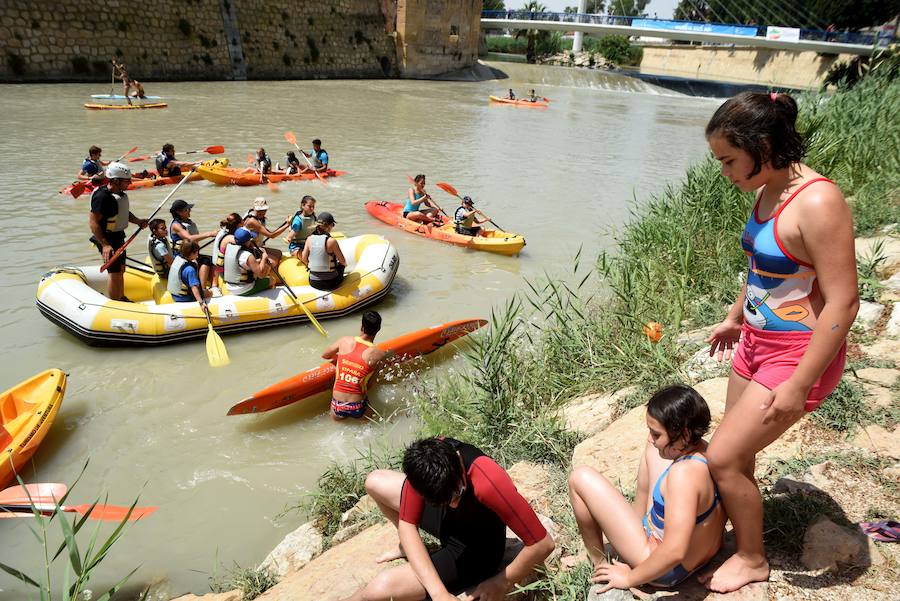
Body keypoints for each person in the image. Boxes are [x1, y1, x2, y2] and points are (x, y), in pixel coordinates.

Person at [699, 92, 859, 592]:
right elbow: (761, 266)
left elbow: (844, 302)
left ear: (762, 147)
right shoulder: (768, 187)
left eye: (728, 160)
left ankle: (752, 558)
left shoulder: (818, 201)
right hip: (753, 343)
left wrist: (800, 383)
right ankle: (726, 534)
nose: (724, 172)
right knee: (737, 454)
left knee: (722, 457)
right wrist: (734, 318)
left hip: (795, 355)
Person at [341, 437, 555, 601]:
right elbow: (408, 526)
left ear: (459, 463)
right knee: (375, 481)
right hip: (446, 522)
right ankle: (410, 549)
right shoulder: (427, 464)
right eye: (442, 501)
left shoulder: (487, 479)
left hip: (476, 549)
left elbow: (543, 543)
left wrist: (502, 582)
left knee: (379, 588)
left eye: (458, 494)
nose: (453, 503)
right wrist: (439, 593)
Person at [568, 385, 725, 591]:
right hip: (704, 550)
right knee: (652, 448)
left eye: (657, 434)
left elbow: (675, 551)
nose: (651, 438)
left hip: (663, 568)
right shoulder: (709, 451)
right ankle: (635, 524)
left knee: (579, 479)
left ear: (685, 434)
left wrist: (629, 578)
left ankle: (599, 564)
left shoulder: (682, 476)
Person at [88, 162, 148, 301]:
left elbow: (123, 212)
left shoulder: (119, 194)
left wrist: (138, 221)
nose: (130, 183)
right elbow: (93, 222)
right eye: (127, 181)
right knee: (114, 273)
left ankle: (121, 297)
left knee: (121, 269)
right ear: (116, 180)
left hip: (118, 236)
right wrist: (105, 245)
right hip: (106, 238)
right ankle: (116, 302)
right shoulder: (102, 197)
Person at [321, 311, 387, 420]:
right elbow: (369, 385)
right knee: (375, 421)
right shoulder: (379, 355)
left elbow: (325, 355)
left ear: (362, 327)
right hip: (358, 406)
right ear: (378, 329)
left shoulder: (344, 341)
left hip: (337, 406)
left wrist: (343, 359)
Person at [169, 199, 218, 291]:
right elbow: (189, 238)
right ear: (179, 212)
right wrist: (210, 234)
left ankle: (214, 286)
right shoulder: (176, 225)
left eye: (189, 209)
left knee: (214, 261)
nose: (189, 211)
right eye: (186, 210)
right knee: (205, 261)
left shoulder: (188, 222)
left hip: (191, 254)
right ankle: (202, 289)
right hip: (182, 256)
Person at [223, 227, 276, 296]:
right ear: (247, 241)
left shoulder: (230, 249)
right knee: (272, 280)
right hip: (244, 289)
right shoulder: (248, 256)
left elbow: (241, 263)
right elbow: (261, 275)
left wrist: (258, 261)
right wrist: (264, 258)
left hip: (229, 287)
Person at [301, 212, 346, 291]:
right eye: (333, 225)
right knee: (341, 266)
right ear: (329, 226)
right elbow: (343, 261)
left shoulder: (309, 239)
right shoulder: (332, 241)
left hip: (313, 282)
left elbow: (304, 259)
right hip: (331, 282)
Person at [167, 241, 212, 312]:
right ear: (191, 254)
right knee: (210, 293)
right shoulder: (190, 270)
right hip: (185, 299)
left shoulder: (177, 259)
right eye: (196, 253)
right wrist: (201, 303)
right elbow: (194, 287)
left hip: (175, 295)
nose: (198, 255)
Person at [243, 197, 290, 263]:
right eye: (259, 210)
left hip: (257, 246)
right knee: (274, 261)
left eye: (264, 210)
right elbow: (272, 235)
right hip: (249, 249)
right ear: (254, 208)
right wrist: (287, 225)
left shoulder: (256, 216)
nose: (262, 212)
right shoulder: (252, 221)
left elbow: (268, 232)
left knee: (279, 253)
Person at [211, 212, 243, 287]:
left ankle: (214, 284)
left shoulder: (222, 231)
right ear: (238, 225)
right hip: (224, 272)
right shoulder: (231, 238)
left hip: (217, 266)